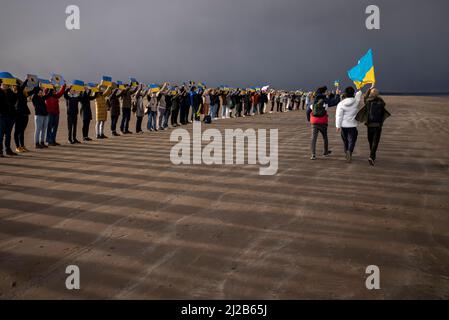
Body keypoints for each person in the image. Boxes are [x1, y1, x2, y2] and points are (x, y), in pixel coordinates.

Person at [356, 85, 390, 166]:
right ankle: (372, 155)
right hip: (378, 126)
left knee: (370, 141)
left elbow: (365, 97)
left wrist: (370, 88)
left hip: (370, 125)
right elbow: (383, 105)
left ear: (371, 94)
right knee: (376, 141)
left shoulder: (368, 102)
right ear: (378, 95)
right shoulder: (381, 103)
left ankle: (372, 155)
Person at [308, 86, 341, 160]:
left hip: (314, 121)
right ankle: (325, 151)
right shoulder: (325, 100)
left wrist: (309, 119)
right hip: (323, 121)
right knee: (325, 137)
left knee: (313, 138)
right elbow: (335, 101)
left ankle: (313, 154)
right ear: (323, 92)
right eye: (326, 91)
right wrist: (337, 94)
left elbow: (308, 110)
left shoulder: (313, 100)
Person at [335, 86, 362, 163]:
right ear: (353, 93)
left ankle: (346, 152)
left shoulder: (340, 104)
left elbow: (339, 116)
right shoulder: (356, 101)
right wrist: (359, 89)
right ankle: (349, 151)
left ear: (345, 94)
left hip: (343, 126)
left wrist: (338, 126)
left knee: (345, 140)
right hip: (353, 125)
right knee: (352, 140)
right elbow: (358, 95)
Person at [12, 79, 31, 153]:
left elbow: (32, 91)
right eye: (16, 85)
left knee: (22, 131)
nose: (17, 86)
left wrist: (37, 86)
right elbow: (21, 88)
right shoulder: (16, 93)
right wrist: (26, 80)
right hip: (18, 114)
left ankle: (22, 146)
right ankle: (17, 147)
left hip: (25, 114)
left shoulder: (23, 93)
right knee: (17, 131)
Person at [0, 79, 18, 156]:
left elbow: (15, 100)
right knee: (0, 134)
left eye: (7, 84)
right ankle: (0, 151)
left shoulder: (11, 92)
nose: (5, 85)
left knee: (8, 134)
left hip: (10, 116)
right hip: (1, 116)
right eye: (3, 84)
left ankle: (8, 150)